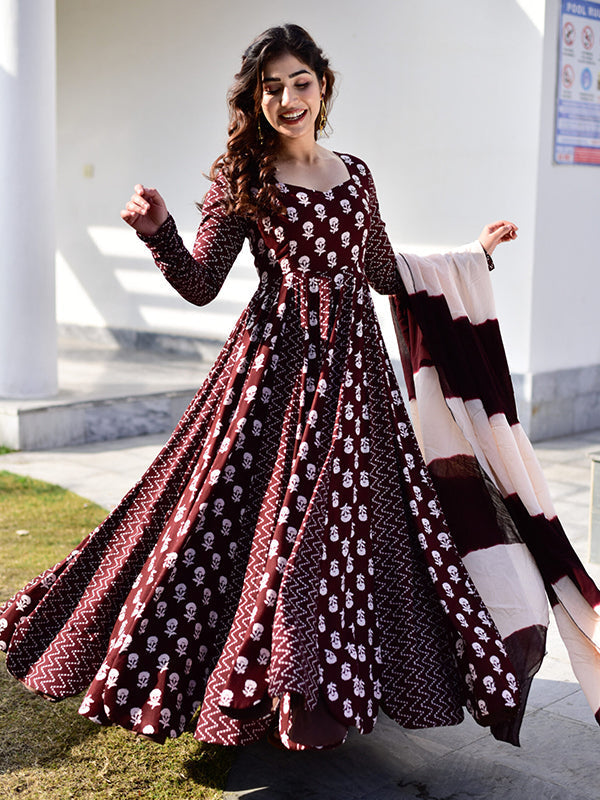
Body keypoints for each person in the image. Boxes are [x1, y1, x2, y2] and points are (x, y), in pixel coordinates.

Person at [0, 24, 530, 751]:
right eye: (272, 87)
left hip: (355, 378)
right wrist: (160, 233)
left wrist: (471, 257)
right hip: (272, 378)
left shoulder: (358, 173)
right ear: (256, 98)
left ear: (324, 85)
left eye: (300, 82)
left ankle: (330, 688)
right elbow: (200, 283)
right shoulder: (241, 177)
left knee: (354, 529)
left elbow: (379, 272)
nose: (288, 99)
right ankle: (262, 693)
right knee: (257, 528)